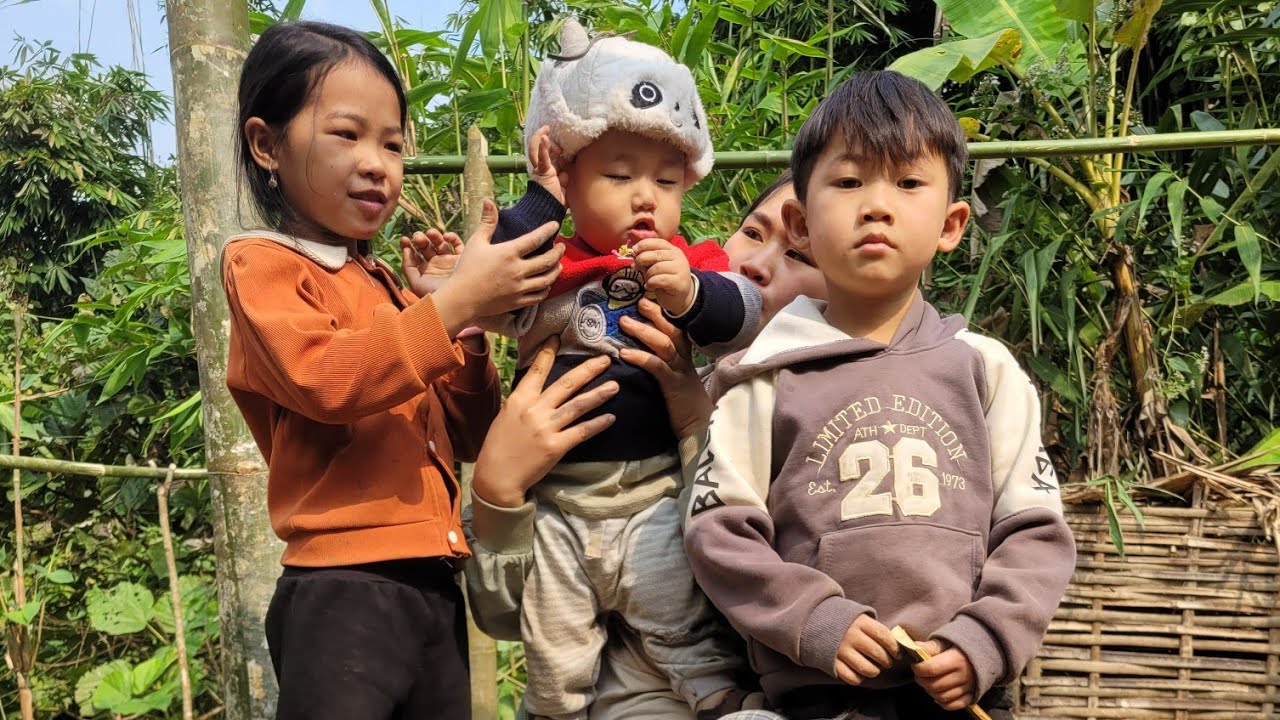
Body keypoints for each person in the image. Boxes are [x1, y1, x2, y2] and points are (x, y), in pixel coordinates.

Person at [684, 70, 1077, 720]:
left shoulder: (984, 370)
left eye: (908, 183)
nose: (876, 205)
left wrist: (984, 641)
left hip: (960, 696)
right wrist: (814, 619)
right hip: (816, 697)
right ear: (801, 224)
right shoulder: (763, 378)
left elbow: (1035, 533)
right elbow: (718, 531)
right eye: (848, 182)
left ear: (951, 224)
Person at [220, 21, 568, 720]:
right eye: (346, 134)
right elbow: (329, 380)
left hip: (434, 581)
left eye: (392, 144)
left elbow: (471, 434)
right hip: (342, 588)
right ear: (266, 145)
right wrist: (455, 300)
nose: (377, 163)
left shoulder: (386, 290)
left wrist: (460, 321)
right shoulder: (261, 265)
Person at [461, 17, 763, 720]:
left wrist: (690, 294)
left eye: (666, 179)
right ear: (571, 180)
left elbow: (743, 316)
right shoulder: (551, 266)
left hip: (653, 493)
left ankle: (718, 699)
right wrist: (540, 195)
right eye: (619, 175)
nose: (645, 196)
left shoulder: (689, 263)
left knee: (680, 618)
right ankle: (555, 709)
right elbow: (502, 272)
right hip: (557, 503)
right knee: (555, 641)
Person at [461, 170, 825, 720]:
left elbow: (747, 584)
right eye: (753, 232)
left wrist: (694, 424)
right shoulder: (655, 358)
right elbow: (504, 616)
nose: (756, 263)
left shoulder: (822, 423)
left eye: (801, 255)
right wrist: (497, 489)